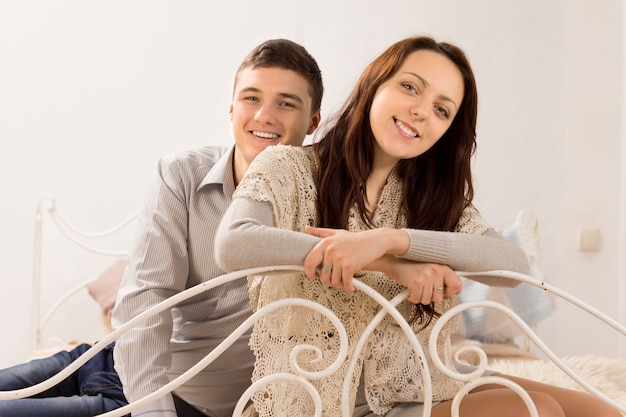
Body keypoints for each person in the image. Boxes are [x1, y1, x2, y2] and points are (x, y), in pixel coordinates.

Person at [215, 36, 621, 417]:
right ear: (375, 85)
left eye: (442, 109)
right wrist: (386, 265)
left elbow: (511, 265)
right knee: (540, 411)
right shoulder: (288, 166)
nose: (422, 110)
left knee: (603, 412)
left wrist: (390, 241)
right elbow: (234, 244)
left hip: (418, 383)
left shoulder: (429, 199)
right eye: (411, 87)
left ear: (446, 130)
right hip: (324, 401)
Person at [0, 38, 323, 417]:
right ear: (231, 106)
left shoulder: (325, 203)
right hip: (104, 360)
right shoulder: (183, 174)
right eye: (251, 98)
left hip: (179, 399)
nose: (264, 115)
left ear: (313, 121)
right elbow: (144, 300)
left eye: (286, 103)